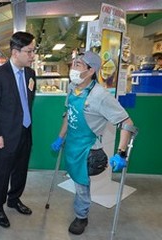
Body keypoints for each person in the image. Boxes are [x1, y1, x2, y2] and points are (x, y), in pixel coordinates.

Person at [51, 51, 134, 235]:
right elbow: (69, 114)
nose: (72, 68)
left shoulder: (100, 96)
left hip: (87, 149)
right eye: (73, 63)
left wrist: (121, 153)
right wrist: (60, 137)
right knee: (75, 179)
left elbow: (127, 124)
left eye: (78, 65)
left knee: (81, 185)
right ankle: (82, 209)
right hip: (71, 144)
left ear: (90, 71)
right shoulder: (73, 87)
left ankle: (81, 217)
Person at [0, 31, 36, 228]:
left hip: (25, 131)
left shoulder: (31, 74)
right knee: (2, 172)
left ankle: (14, 199)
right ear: (16, 52)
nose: (33, 55)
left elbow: (28, 100)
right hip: (5, 136)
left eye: (34, 51)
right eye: (29, 51)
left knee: (21, 170)